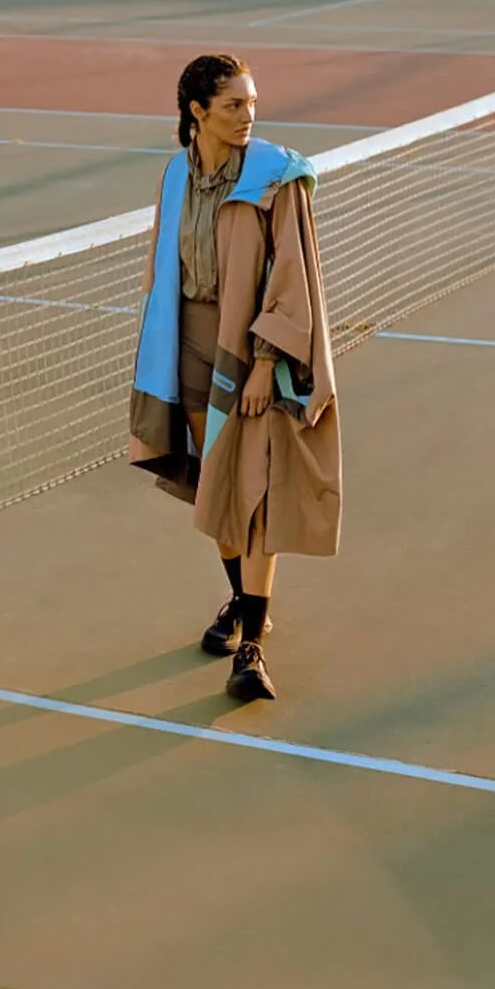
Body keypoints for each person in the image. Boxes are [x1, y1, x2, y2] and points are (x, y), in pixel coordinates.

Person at [129, 54, 342, 702]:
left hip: (249, 346)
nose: (248, 116)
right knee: (215, 484)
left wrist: (268, 362)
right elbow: (162, 262)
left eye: (252, 103)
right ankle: (245, 601)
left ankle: (250, 643)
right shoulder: (175, 174)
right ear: (197, 113)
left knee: (254, 494)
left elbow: (295, 278)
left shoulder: (277, 177)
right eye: (233, 106)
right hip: (187, 342)